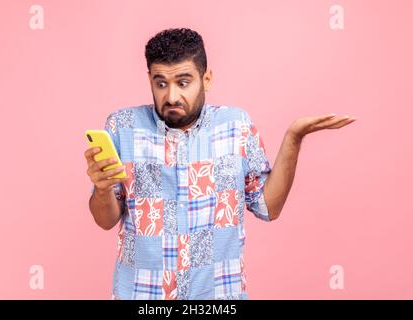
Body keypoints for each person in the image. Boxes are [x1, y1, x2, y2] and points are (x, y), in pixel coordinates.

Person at [84, 28, 356, 300]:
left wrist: (294, 137)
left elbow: (268, 207)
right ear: (150, 80)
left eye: (184, 82)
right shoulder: (122, 127)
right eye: (161, 83)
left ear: (207, 79)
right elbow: (105, 220)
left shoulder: (236, 126)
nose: (172, 97)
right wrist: (102, 188)